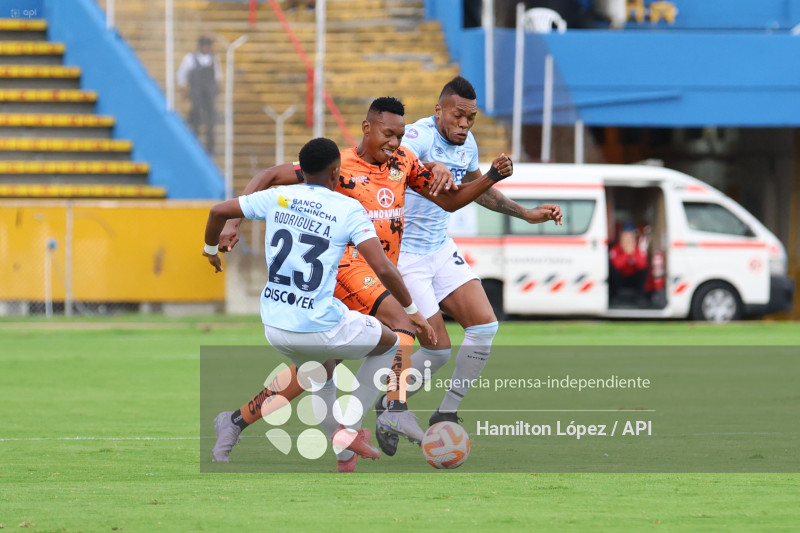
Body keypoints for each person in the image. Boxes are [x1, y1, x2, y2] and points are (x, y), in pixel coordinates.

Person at [211, 97, 514, 466]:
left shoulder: (403, 162)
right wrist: (233, 219)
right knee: (406, 325)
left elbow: (448, 203)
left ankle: (235, 421)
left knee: (315, 371)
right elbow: (272, 177)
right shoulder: (336, 166)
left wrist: (488, 177)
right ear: (367, 128)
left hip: (378, 272)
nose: (394, 142)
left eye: (400, 135)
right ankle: (393, 409)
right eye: (388, 134)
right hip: (347, 271)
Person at [204, 137, 437, 472]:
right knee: (394, 341)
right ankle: (377, 419)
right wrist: (415, 314)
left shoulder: (279, 197)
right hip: (319, 324)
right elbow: (384, 267)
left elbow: (217, 211)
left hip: (275, 325)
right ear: (335, 172)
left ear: (302, 172)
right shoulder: (346, 208)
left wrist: (211, 251)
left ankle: (343, 457)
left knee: (321, 373)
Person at [371, 76, 562, 454]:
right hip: (404, 254)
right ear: (439, 109)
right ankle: (390, 403)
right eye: (457, 116)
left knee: (485, 326)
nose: (463, 125)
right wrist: (430, 167)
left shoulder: (466, 144)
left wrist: (525, 213)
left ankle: (446, 414)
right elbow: (407, 167)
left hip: (440, 248)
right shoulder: (417, 137)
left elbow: (477, 189)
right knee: (438, 349)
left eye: (470, 119)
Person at [177, 36, 221, 154]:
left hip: (209, 92)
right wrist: (184, 87)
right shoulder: (190, 58)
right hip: (196, 91)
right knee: (195, 115)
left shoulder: (214, 59)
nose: (206, 48)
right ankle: (194, 140)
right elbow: (182, 73)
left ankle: (210, 146)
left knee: (210, 119)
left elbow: (217, 75)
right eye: (204, 45)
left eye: (208, 45)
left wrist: (217, 88)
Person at [608, 222, 649, 305]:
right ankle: (615, 297)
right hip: (620, 279)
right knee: (614, 271)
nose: (628, 240)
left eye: (630, 237)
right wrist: (626, 254)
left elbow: (643, 265)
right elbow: (617, 265)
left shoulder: (638, 250)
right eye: (625, 237)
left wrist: (633, 253)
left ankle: (640, 297)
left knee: (644, 271)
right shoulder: (615, 249)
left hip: (633, 279)